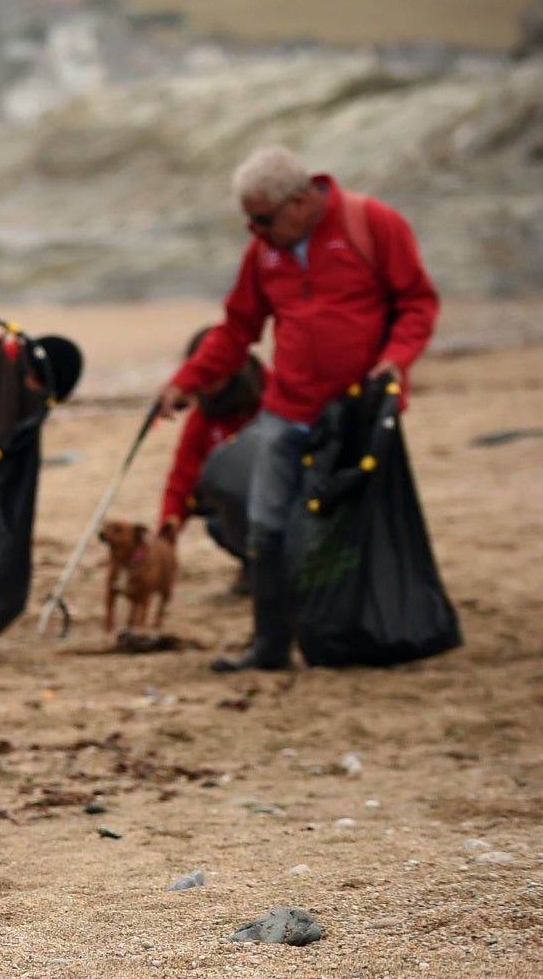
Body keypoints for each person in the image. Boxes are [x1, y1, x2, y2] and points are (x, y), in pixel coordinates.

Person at [158, 146, 438, 673]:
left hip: (357, 410)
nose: (254, 230)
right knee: (267, 522)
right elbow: (238, 330)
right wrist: (184, 383)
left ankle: (362, 632)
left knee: (351, 524)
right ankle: (269, 647)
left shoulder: (370, 223)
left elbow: (418, 302)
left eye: (262, 218)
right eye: (248, 220)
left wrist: (396, 360)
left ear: (301, 200)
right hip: (287, 407)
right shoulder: (262, 252)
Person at [157, 326, 267, 591]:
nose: (204, 382)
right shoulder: (203, 417)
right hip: (240, 508)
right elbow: (182, 476)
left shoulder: (270, 394)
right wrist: (165, 536)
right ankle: (251, 563)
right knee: (218, 521)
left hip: (278, 495)